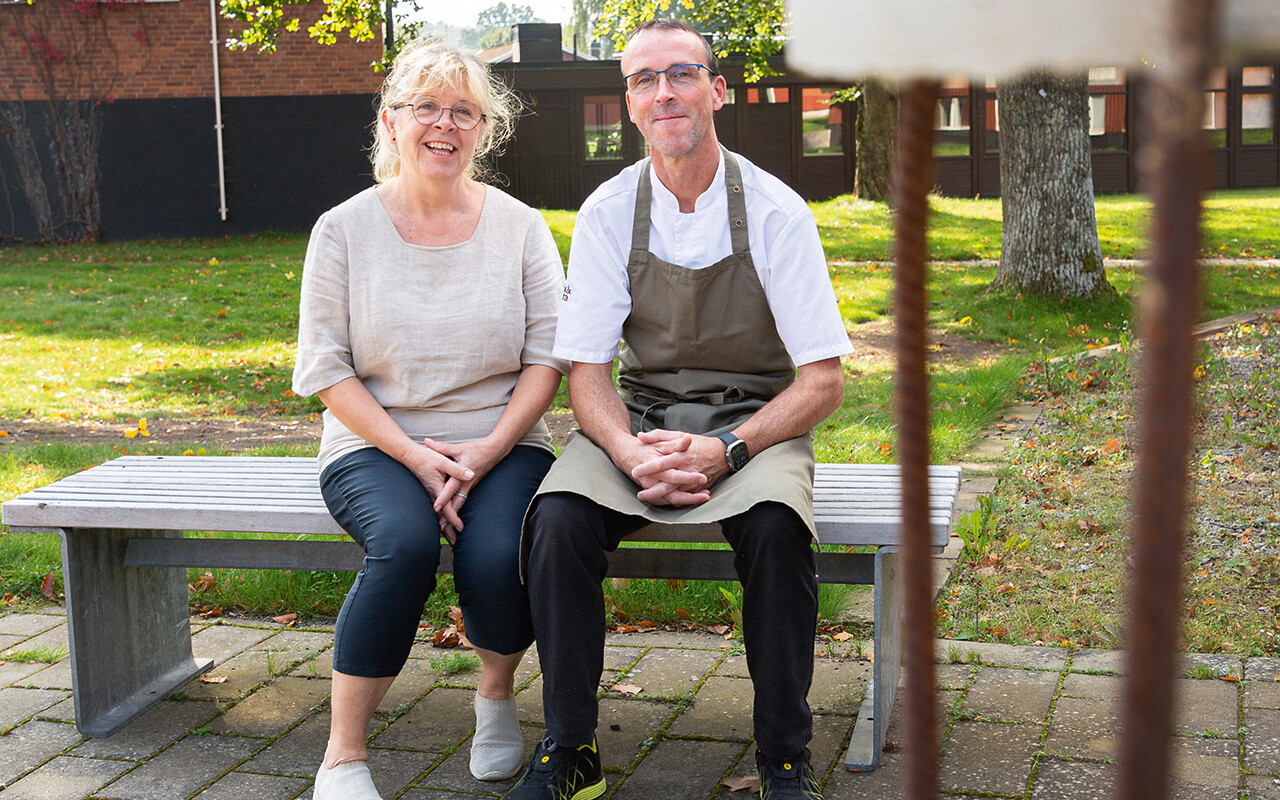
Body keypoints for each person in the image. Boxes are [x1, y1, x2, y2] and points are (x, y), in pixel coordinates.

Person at [505, 19, 851, 800]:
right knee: (556, 520)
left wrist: (729, 450)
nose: (664, 93)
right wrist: (630, 454)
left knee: (775, 529)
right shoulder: (605, 212)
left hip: (757, 422)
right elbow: (587, 373)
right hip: (642, 418)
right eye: (643, 80)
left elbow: (822, 382)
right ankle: (571, 748)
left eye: (682, 74)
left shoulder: (776, 211)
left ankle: (784, 757)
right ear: (628, 103)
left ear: (718, 91)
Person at [291, 38, 567, 800]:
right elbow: (326, 369)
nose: (444, 125)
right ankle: (342, 757)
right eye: (425, 108)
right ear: (391, 122)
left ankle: (495, 696)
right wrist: (416, 459)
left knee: (494, 556)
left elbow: (548, 358)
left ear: (484, 129)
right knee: (406, 546)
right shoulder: (343, 229)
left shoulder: (521, 227)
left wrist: (485, 451)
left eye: (463, 112)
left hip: (503, 440)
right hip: (374, 443)